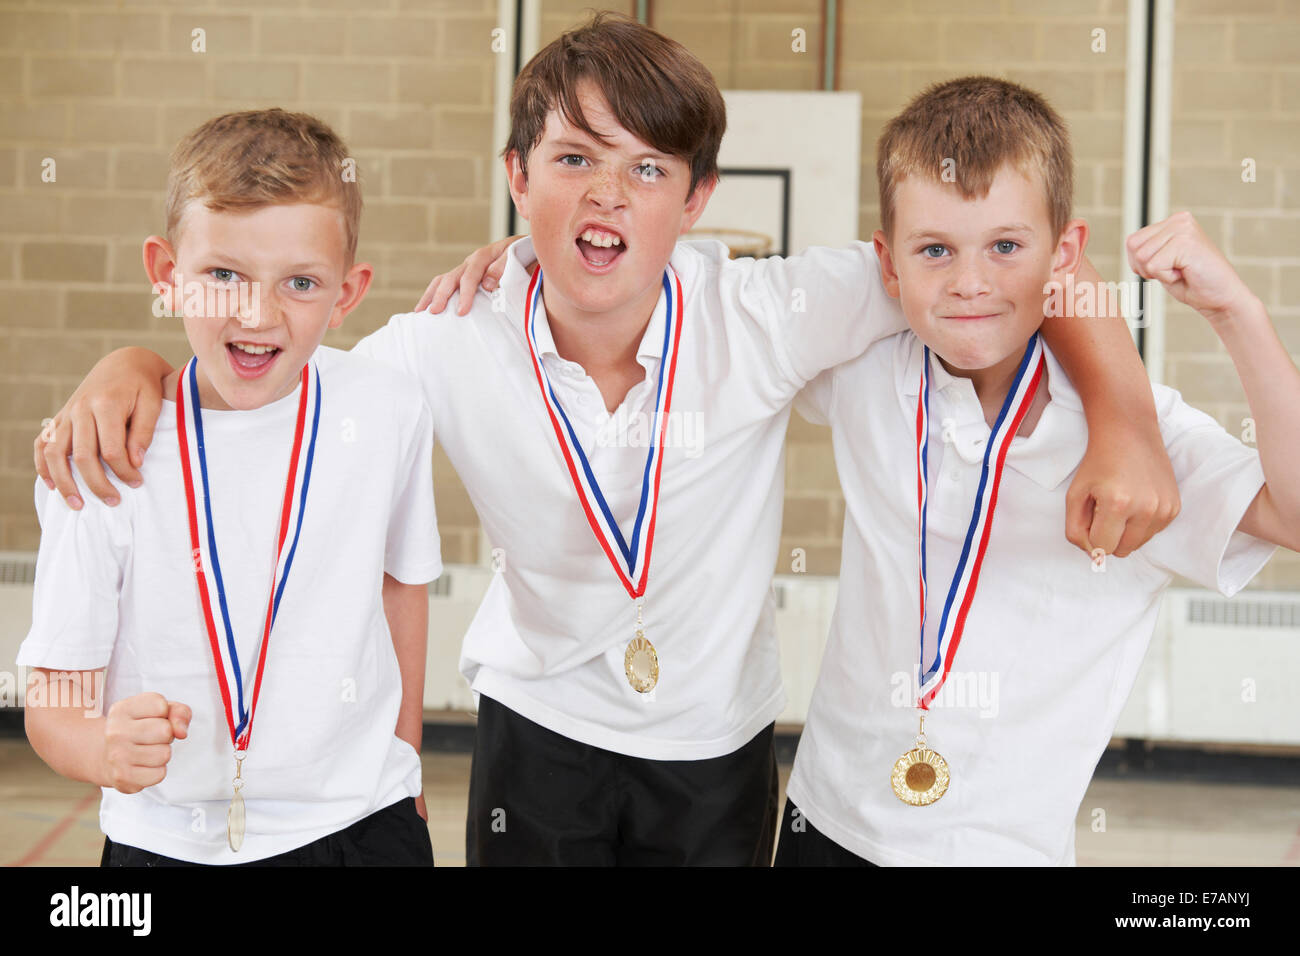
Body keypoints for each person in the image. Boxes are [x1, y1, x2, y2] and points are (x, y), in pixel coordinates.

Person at [34, 15, 1177, 866]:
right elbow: (268, 362)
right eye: (573, 159)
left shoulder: (769, 312)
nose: (609, 198)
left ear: (697, 197)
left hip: (718, 753)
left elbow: (1011, 275)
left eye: (647, 169)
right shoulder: (443, 343)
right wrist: (129, 365)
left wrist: (1122, 414)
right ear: (515, 177)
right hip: (537, 739)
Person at [772, 76, 1294, 866]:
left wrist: (1237, 315)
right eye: (935, 250)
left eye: (1006, 247)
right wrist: (532, 265)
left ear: (1066, 255)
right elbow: (705, 306)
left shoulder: (1144, 440)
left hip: (1001, 852)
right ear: (889, 264)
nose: (971, 283)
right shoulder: (865, 364)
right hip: (823, 821)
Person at [19, 108, 442, 866]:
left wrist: (404, 754)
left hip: (363, 826)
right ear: (164, 275)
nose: (256, 314)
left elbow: (400, 586)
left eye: (301, 282)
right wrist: (98, 747)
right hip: (164, 842)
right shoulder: (100, 451)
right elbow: (51, 704)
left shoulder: (387, 410)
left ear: (348, 293)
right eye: (222, 275)